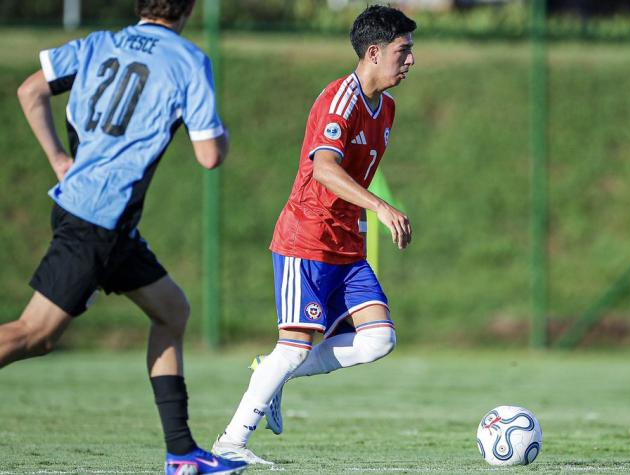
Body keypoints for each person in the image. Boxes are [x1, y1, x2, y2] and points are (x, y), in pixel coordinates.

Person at [0, 1, 247, 473]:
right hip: (97, 221)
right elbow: (210, 155)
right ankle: (181, 454)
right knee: (35, 335)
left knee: (172, 310)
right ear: (189, 7)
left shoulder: (100, 42)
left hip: (99, 217)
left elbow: (31, 90)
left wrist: (57, 158)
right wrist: (222, 135)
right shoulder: (189, 60)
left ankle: (181, 454)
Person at [211, 5, 416, 465]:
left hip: (347, 247)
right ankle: (231, 441)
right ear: (374, 51)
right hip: (307, 240)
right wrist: (381, 207)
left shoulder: (387, 108)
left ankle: (276, 375)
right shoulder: (339, 98)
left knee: (379, 339)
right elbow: (323, 168)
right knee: (294, 344)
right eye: (403, 52)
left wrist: (367, 216)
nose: (410, 61)